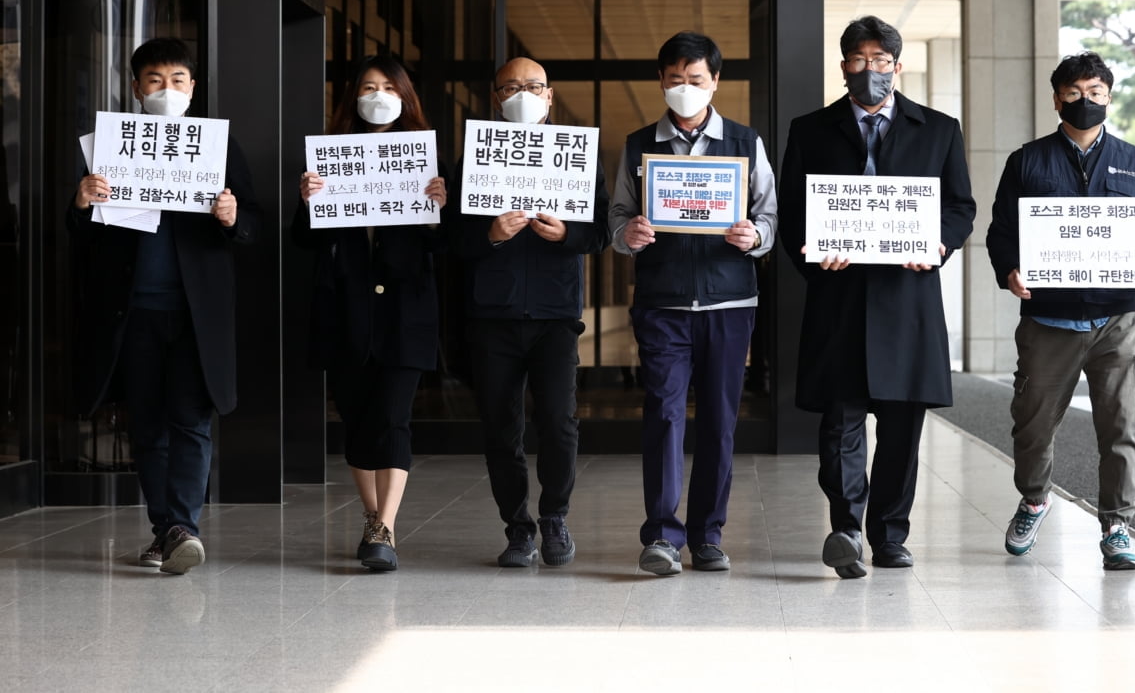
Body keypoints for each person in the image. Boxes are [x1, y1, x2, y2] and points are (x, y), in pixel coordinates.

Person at [778, 16, 975, 579]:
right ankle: (845, 529)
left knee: (900, 427)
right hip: (839, 295)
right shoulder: (811, 129)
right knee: (839, 423)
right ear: (844, 67)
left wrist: (937, 244)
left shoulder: (938, 129)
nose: (871, 71)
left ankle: (889, 535)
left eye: (881, 61)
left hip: (907, 299)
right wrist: (815, 254)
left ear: (898, 65)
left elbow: (960, 206)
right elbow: (794, 210)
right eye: (860, 61)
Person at [67, 37, 262, 574]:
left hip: (197, 316)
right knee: (148, 426)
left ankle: (181, 527)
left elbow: (253, 226)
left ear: (193, 88)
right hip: (134, 313)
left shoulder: (218, 148)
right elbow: (82, 242)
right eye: (155, 79)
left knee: (191, 422)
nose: (166, 89)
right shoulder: (112, 148)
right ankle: (168, 530)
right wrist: (82, 203)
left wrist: (230, 215)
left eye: (178, 79)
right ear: (136, 88)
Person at [985, 51, 1135, 570]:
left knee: (1121, 426)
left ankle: (1117, 525)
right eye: (1075, 92)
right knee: (1032, 425)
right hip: (1049, 321)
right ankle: (1033, 499)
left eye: (1096, 93)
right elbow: (1002, 232)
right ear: (1057, 98)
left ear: (1109, 98)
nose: (1085, 101)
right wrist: (1011, 270)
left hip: (1117, 321)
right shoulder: (1027, 161)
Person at [610, 31, 778, 576]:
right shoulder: (639, 146)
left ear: (715, 82)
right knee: (662, 414)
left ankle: (708, 535)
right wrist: (627, 234)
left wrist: (755, 237)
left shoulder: (745, 143)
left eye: (696, 79)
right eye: (676, 79)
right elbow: (616, 218)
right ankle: (661, 534)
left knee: (719, 423)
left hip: (730, 303)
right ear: (661, 81)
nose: (686, 88)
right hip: (662, 304)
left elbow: (771, 217)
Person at [449, 56, 610, 568]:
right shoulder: (473, 158)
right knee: (501, 427)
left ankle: (554, 517)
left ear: (550, 95)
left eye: (533, 86)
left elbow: (602, 230)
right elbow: (450, 239)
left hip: (554, 314)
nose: (523, 94)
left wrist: (568, 234)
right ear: (496, 98)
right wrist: (490, 235)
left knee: (560, 423)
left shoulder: (577, 156)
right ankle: (517, 528)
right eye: (511, 87)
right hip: (492, 315)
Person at [293, 55, 447, 572]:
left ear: (406, 97)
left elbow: (447, 246)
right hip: (346, 307)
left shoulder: (430, 162)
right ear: (352, 97)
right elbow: (303, 240)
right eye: (367, 86)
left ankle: (386, 525)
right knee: (357, 415)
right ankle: (372, 518)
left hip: (406, 308)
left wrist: (439, 211)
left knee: (392, 415)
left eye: (388, 86)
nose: (377, 95)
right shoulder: (329, 160)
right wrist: (308, 199)